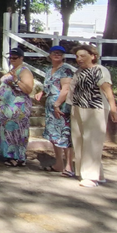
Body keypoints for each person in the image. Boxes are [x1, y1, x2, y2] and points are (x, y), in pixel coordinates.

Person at [64, 44, 117, 188]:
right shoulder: (78, 72)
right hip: (77, 108)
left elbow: (108, 90)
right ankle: (96, 174)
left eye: (83, 56)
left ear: (93, 56)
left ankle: (90, 177)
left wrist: (113, 109)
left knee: (92, 142)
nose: (79, 59)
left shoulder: (100, 70)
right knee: (79, 141)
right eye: (77, 56)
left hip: (95, 109)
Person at [0, 47, 35, 167]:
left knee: (15, 130)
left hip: (18, 107)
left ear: (21, 58)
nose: (12, 59)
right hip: (6, 106)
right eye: (11, 57)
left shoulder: (24, 71)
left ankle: (17, 157)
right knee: (3, 130)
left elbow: (28, 89)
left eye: (15, 57)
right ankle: (8, 154)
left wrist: (15, 81)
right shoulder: (11, 70)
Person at [38, 46, 76, 175]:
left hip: (61, 106)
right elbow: (49, 86)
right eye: (54, 52)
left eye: (60, 53)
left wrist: (57, 104)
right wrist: (42, 92)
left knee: (65, 135)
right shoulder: (49, 71)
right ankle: (59, 164)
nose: (57, 55)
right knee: (54, 136)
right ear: (50, 55)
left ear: (63, 56)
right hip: (50, 106)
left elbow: (66, 89)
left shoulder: (65, 70)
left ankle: (69, 167)